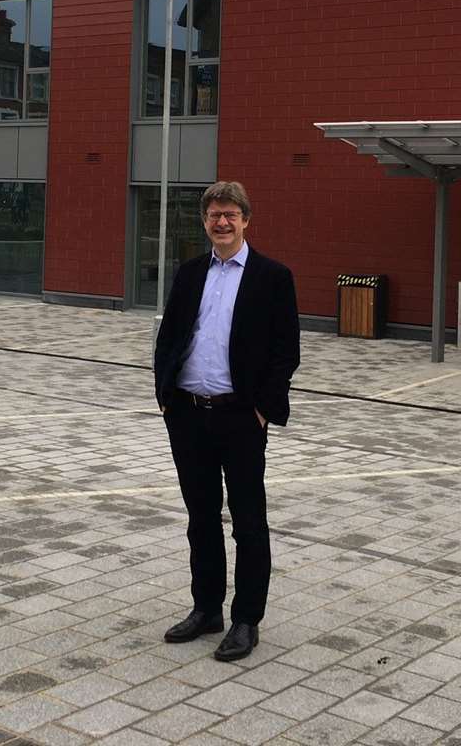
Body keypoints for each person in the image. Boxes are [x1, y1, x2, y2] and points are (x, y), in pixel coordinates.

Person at [154, 180, 300, 661]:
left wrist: (262, 409)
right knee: (200, 518)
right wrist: (166, 397)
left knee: (248, 520)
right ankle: (206, 608)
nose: (221, 222)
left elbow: (286, 352)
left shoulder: (272, 276)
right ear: (205, 221)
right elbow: (171, 335)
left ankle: (245, 620)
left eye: (230, 215)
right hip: (189, 415)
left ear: (246, 220)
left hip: (240, 417)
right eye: (214, 214)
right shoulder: (190, 272)